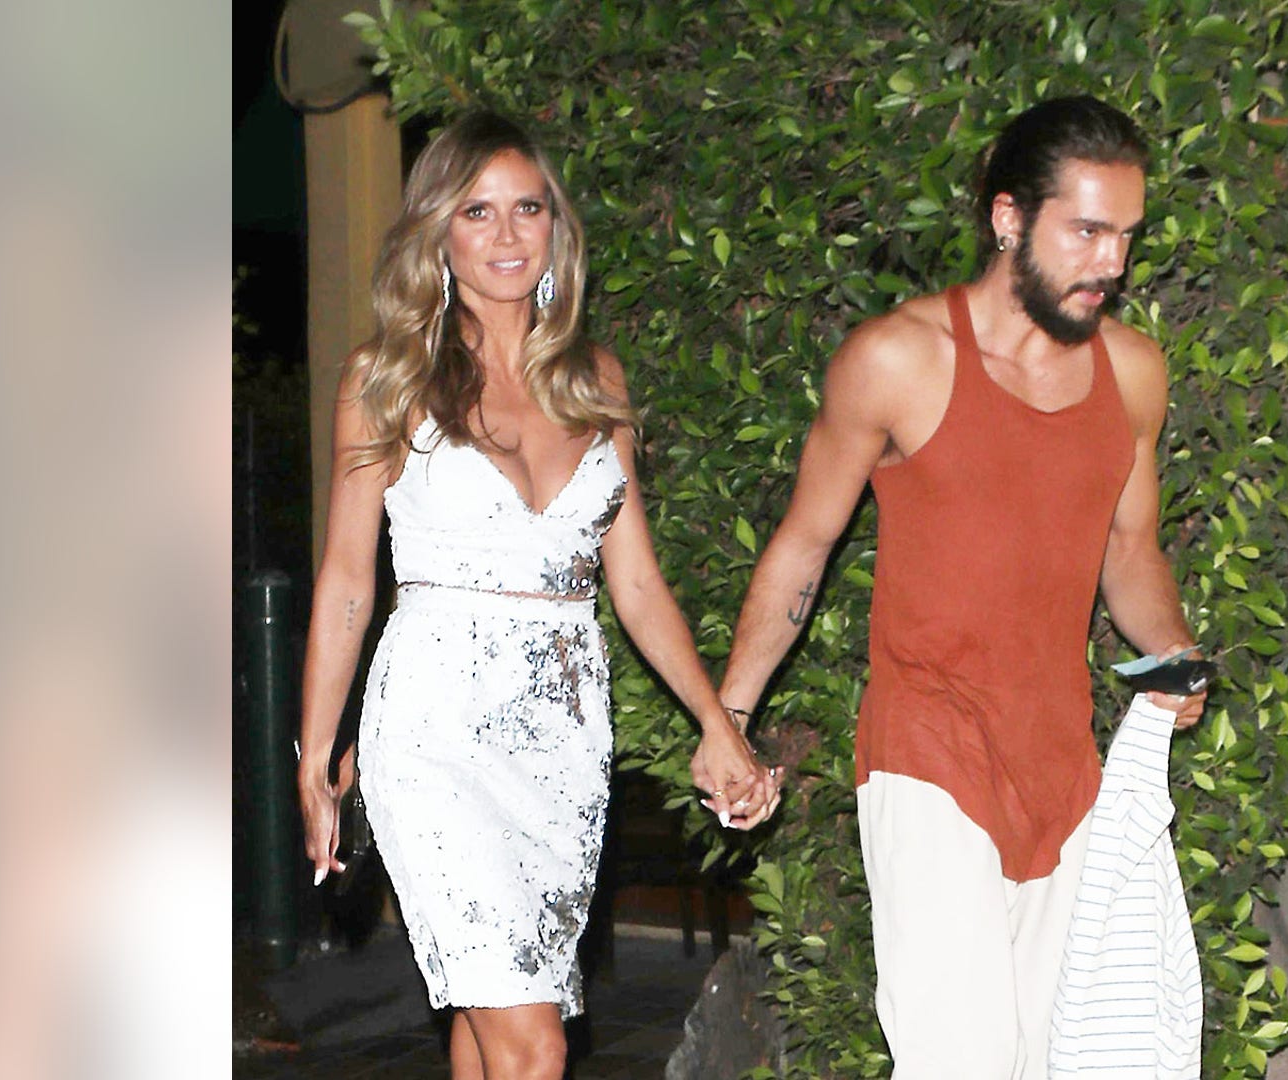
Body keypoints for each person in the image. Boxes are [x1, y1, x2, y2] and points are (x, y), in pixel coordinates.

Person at [716, 95, 1208, 1079]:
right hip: (926, 748)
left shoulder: (1133, 374)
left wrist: (1172, 658)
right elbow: (803, 548)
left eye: (1126, 236)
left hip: (1062, 760)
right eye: (1087, 231)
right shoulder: (898, 359)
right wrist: (728, 713)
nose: (1112, 261)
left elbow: (1131, 549)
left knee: (1053, 1059)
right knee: (963, 1060)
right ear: (1009, 220)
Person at [296, 111, 779, 1080]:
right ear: (439, 233)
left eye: (529, 209)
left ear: (557, 230)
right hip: (434, 727)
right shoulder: (385, 380)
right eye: (479, 212)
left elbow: (633, 581)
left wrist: (715, 723)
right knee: (534, 1044)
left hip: (563, 738)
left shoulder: (597, 382)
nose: (509, 235)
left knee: (494, 1036)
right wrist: (315, 750)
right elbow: (350, 579)